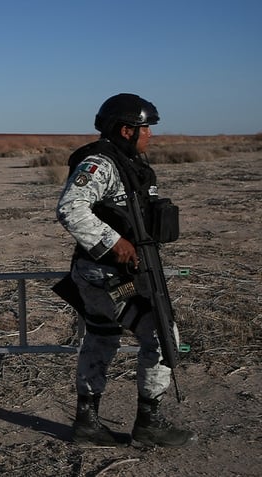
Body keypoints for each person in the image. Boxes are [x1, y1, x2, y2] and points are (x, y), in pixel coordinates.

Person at [56, 93, 197, 447]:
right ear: (125, 130)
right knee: (164, 337)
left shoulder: (128, 163)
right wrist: (115, 243)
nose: (150, 134)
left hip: (108, 273)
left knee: (102, 337)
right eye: (145, 127)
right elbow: (71, 209)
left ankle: (87, 424)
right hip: (109, 275)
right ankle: (149, 424)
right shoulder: (101, 163)